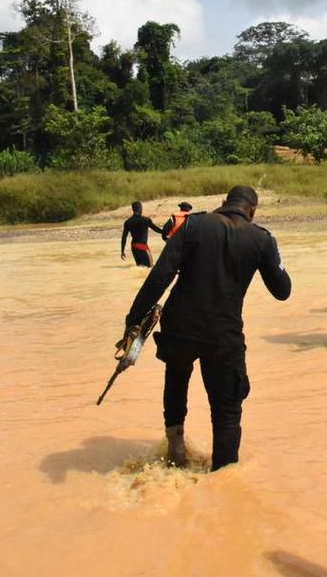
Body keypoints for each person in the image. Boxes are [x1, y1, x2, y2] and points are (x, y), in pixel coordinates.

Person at [122, 186, 291, 471]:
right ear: (252, 211)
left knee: (177, 377)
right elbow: (283, 291)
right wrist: (272, 253)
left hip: (179, 326)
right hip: (223, 335)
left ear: (224, 202)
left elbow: (160, 275)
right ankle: (223, 472)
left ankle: (176, 451)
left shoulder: (193, 225)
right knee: (227, 411)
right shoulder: (261, 239)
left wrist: (133, 319)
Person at [121, 201, 163, 267]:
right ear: (140, 208)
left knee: (140, 266)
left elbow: (124, 237)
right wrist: (166, 232)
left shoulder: (128, 222)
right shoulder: (146, 220)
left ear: (133, 209)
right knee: (150, 266)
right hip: (142, 246)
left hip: (134, 247)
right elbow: (156, 229)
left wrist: (122, 251)